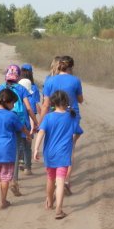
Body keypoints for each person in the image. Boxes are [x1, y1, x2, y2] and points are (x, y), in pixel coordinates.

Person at [0, 64, 39, 196]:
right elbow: (28, 107)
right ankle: (14, 181)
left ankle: (2, 182)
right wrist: (35, 122)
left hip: (3, 123)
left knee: (4, 151)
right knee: (16, 152)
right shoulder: (21, 88)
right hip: (19, 122)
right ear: (18, 77)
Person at [0, 88, 31, 209]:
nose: (13, 105)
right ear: (7, 102)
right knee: (5, 176)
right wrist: (28, 135)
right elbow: (22, 128)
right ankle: (3, 201)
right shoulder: (11, 116)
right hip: (7, 151)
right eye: (13, 103)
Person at [40, 56, 83, 194]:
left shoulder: (50, 81)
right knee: (69, 149)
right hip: (71, 117)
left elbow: (46, 104)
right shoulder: (75, 80)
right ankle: (65, 181)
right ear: (71, 67)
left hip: (53, 117)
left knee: (54, 144)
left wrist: (40, 122)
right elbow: (80, 100)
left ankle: (54, 179)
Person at [34, 91, 77, 220]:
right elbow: (78, 132)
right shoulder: (71, 117)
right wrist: (73, 141)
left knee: (50, 179)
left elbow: (41, 133)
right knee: (60, 181)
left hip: (50, 154)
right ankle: (59, 209)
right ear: (66, 102)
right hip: (63, 153)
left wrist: (36, 149)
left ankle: (49, 201)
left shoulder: (48, 117)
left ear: (53, 102)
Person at [18, 78, 35, 176]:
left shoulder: (14, 99)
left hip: (17, 127)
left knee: (18, 145)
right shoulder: (30, 100)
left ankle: (20, 161)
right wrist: (33, 127)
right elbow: (31, 114)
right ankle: (27, 168)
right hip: (27, 127)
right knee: (27, 148)